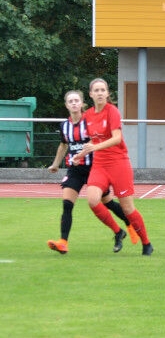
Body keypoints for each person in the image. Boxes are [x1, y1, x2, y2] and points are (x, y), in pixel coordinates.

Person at [71, 78, 154, 255]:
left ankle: (146, 243)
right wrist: (81, 155)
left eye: (103, 90)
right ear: (91, 94)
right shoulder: (88, 115)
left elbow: (116, 138)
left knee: (128, 208)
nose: (100, 93)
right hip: (100, 164)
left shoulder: (112, 111)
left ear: (107, 93)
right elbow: (93, 141)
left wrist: (94, 148)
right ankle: (118, 231)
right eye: (96, 90)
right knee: (92, 200)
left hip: (118, 163)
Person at [46, 90, 135, 254]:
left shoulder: (89, 121)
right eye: (70, 101)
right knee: (67, 204)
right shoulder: (64, 126)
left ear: (82, 103)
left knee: (108, 203)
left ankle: (129, 224)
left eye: (76, 100)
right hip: (75, 170)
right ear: (66, 105)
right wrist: (55, 164)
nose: (74, 103)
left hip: (95, 168)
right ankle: (63, 242)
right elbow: (63, 145)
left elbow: (102, 138)